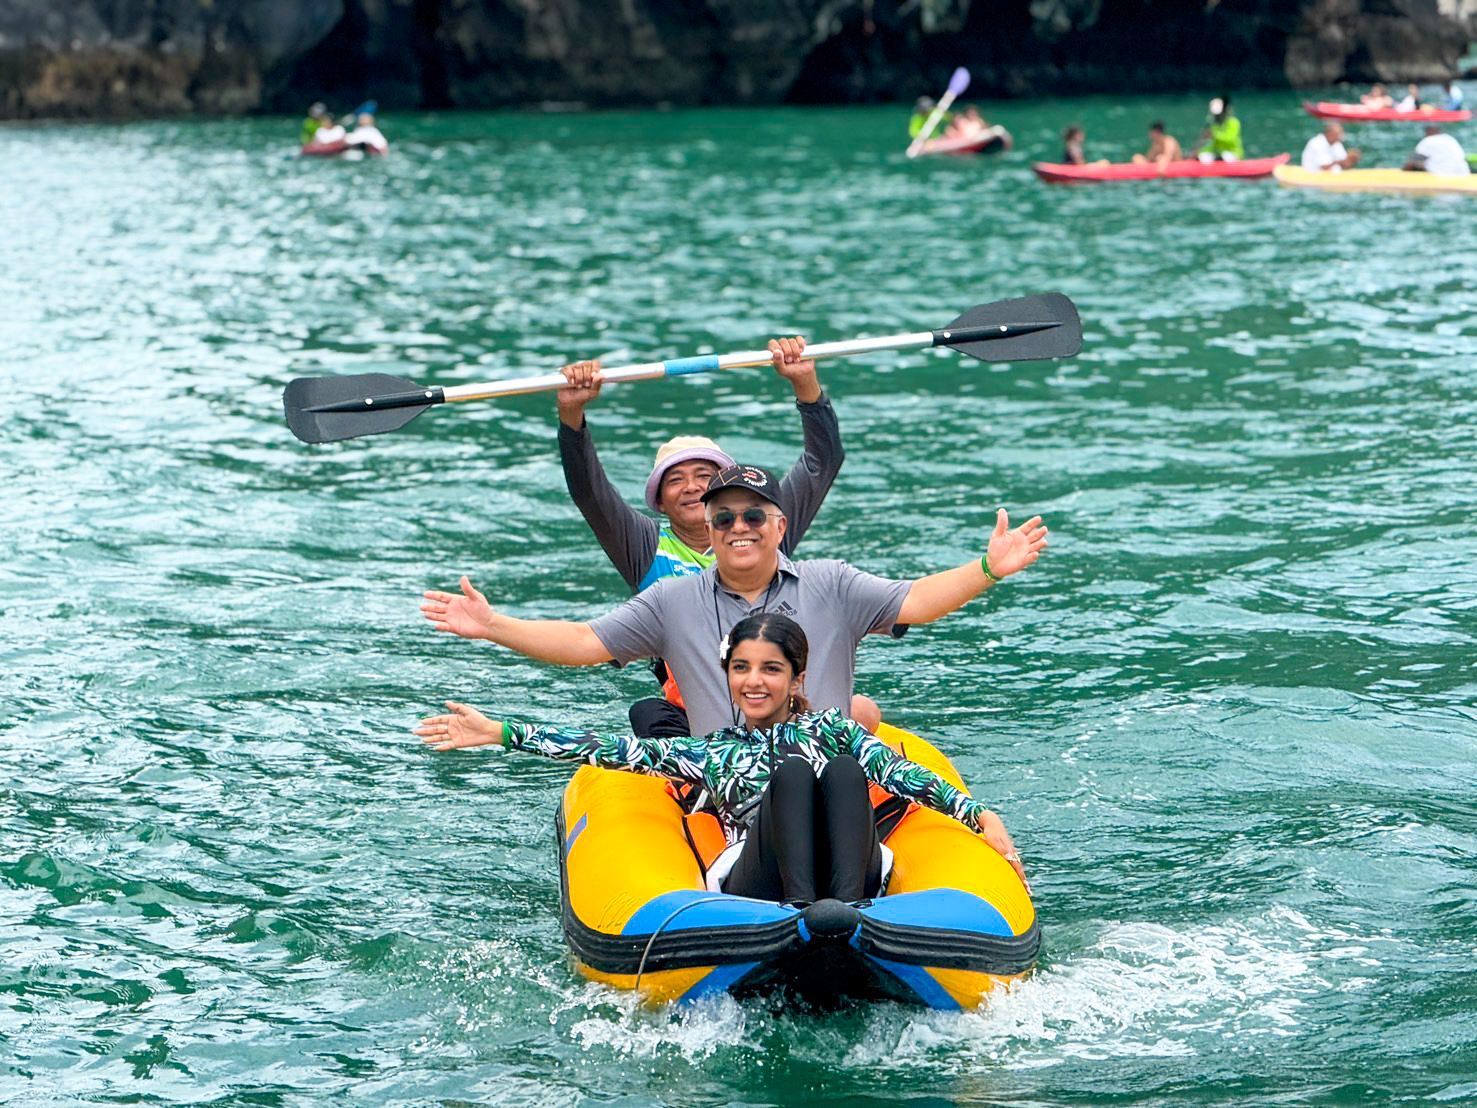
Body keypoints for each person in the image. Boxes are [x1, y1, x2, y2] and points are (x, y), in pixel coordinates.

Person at [420, 461, 1048, 742]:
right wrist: (494, 624)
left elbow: (916, 601)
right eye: (724, 518)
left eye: (754, 515)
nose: (738, 526)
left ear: (780, 527)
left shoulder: (830, 582)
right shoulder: (673, 600)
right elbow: (586, 643)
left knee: (853, 731)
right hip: (724, 784)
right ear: (710, 528)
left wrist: (988, 567)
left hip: (823, 766)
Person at [415, 612, 1030, 899]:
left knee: (843, 770)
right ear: (728, 677)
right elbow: (605, 749)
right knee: (792, 776)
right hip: (760, 882)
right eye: (741, 669)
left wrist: (981, 819)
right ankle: (806, 914)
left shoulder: (837, 730)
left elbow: (910, 779)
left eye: (770, 669)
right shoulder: (710, 753)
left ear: (796, 678)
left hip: (850, 875)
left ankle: (845, 913)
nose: (753, 681)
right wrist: (499, 732)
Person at [556, 338, 861, 737]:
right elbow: (590, 494)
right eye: (676, 480)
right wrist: (572, 416)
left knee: (861, 708)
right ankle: (697, 783)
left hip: (777, 697)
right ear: (660, 501)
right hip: (698, 708)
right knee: (647, 714)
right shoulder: (646, 547)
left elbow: (822, 462)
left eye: (704, 477)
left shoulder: (762, 526)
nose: (691, 487)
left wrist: (806, 385)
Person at [1402, 125, 1470, 176]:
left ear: (1427, 132)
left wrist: (1402, 173)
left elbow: (1412, 163)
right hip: (1464, 173)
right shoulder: (1449, 138)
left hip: (1441, 177)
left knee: (1416, 165)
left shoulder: (1427, 141)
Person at [1196, 97, 1243, 162]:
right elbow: (1213, 145)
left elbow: (1229, 139)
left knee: (1223, 157)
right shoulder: (1213, 124)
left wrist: (1214, 135)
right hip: (1218, 154)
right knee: (1202, 156)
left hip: (1233, 153)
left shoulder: (1234, 122)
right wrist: (1200, 151)